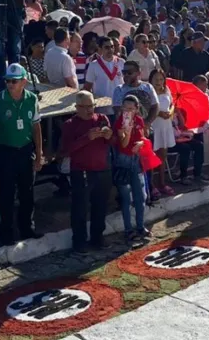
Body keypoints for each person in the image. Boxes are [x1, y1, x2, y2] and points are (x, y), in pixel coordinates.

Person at [0, 64, 44, 245]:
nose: (10, 84)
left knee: (27, 193)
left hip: (25, 150)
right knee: (6, 196)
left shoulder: (31, 99)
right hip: (6, 152)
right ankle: (5, 233)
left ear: (24, 82)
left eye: (14, 81)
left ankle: (27, 228)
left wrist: (39, 152)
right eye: (8, 81)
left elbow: (36, 126)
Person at [60, 91, 113, 254]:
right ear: (77, 107)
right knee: (80, 208)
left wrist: (110, 136)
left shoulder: (102, 119)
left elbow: (112, 142)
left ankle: (98, 238)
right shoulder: (70, 124)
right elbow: (65, 150)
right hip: (81, 171)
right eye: (85, 107)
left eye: (92, 106)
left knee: (100, 205)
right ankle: (79, 242)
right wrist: (86, 138)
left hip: (102, 168)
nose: (89, 110)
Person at [113, 95, 151, 246]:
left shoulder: (140, 121)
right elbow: (122, 144)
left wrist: (140, 143)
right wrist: (126, 132)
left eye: (130, 109)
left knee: (140, 196)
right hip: (123, 160)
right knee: (126, 198)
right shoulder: (118, 123)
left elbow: (144, 138)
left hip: (136, 160)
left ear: (136, 109)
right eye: (125, 108)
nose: (127, 112)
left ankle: (140, 226)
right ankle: (128, 229)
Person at [151, 71, 177, 196]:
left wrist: (170, 113)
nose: (158, 81)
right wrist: (159, 113)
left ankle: (162, 183)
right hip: (154, 126)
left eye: (161, 79)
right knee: (151, 157)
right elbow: (145, 109)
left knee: (162, 156)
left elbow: (172, 104)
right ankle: (151, 186)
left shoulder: (166, 89)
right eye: (156, 79)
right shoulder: (148, 92)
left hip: (165, 126)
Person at [84, 37, 125, 114]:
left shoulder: (121, 62)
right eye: (106, 47)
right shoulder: (93, 65)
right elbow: (87, 87)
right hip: (102, 110)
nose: (110, 50)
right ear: (100, 49)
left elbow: (127, 84)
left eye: (112, 47)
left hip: (119, 107)